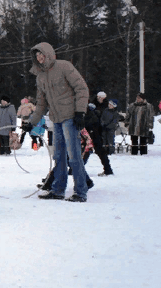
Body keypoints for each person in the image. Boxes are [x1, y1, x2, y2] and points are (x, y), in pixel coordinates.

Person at [28, 42, 90, 203]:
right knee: (58, 156)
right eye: (37, 56)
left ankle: (81, 191)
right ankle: (58, 190)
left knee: (74, 156)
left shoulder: (64, 67)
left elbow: (81, 88)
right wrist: (31, 122)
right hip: (56, 119)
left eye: (41, 54)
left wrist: (80, 112)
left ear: (48, 53)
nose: (39, 58)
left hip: (70, 117)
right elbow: (41, 103)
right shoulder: (40, 76)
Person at [85, 93, 114, 176]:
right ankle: (108, 169)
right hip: (95, 129)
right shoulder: (93, 105)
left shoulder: (105, 107)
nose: (99, 99)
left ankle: (108, 169)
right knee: (96, 150)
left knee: (90, 150)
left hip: (96, 130)